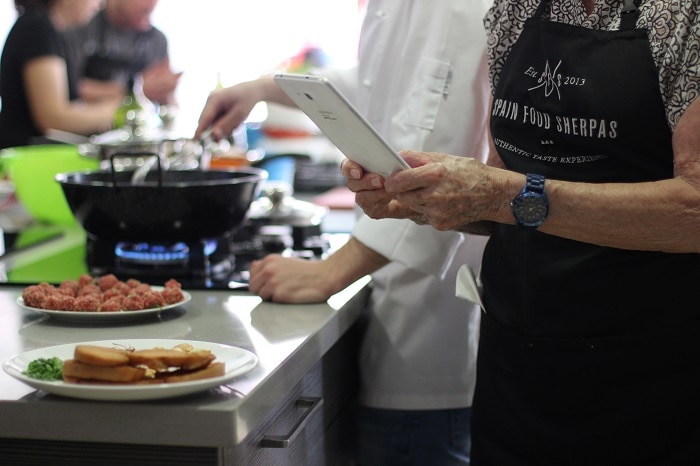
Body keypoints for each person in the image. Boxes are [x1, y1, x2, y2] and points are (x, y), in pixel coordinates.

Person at [341, 0, 700, 464]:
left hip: (649, 377)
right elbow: (506, 188)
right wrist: (427, 199)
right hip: (514, 369)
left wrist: (499, 194)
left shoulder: (682, 14)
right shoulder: (517, 8)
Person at [195, 1, 492, 464]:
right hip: (396, 305)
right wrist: (261, 87)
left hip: (430, 328)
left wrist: (331, 272)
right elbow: (375, 83)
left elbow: (437, 159)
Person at [0, 0, 119, 149]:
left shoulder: (48, 29)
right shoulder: (37, 29)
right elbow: (53, 118)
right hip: (26, 159)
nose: (100, 4)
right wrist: (118, 112)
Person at [62, 0, 181, 106]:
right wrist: (135, 90)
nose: (151, 3)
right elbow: (72, 89)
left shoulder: (156, 40)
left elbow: (169, 104)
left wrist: (166, 91)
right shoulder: (82, 28)